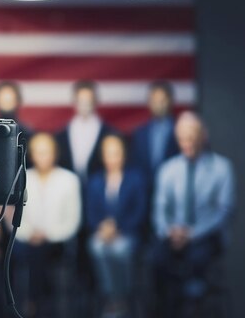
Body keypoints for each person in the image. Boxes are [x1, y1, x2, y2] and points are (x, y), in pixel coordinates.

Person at [152, 111, 234, 317]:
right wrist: (169, 231)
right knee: (156, 259)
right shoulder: (168, 169)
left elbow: (223, 212)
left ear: (203, 136)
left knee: (196, 260)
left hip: (206, 236)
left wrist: (192, 233)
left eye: (191, 137)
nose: (186, 142)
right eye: (181, 137)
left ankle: (193, 307)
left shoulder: (222, 168)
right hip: (173, 235)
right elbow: (160, 207)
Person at [11, 133, 81, 317]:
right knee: (33, 252)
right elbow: (15, 218)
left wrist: (47, 235)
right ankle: (40, 303)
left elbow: (72, 221)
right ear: (32, 155)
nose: (43, 156)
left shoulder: (69, 180)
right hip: (27, 240)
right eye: (38, 152)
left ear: (55, 153)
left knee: (39, 253)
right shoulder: (23, 178)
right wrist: (29, 234)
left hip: (58, 241)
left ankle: (33, 302)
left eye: (47, 152)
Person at [86, 134, 147, 316]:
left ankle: (122, 296)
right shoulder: (95, 181)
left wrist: (118, 228)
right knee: (96, 247)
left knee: (120, 250)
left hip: (127, 232)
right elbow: (90, 212)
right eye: (108, 154)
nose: (112, 158)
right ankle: (112, 296)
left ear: (124, 154)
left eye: (116, 153)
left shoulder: (136, 178)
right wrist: (102, 228)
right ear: (102, 156)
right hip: (102, 233)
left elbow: (140, 210)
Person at [56, 80, 114, 183]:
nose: (84, 105)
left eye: (88, 100)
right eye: (80, 100)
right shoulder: (61, 135)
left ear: (96, 101)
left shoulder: (109, 133)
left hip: (99, 189)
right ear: (74, 101)